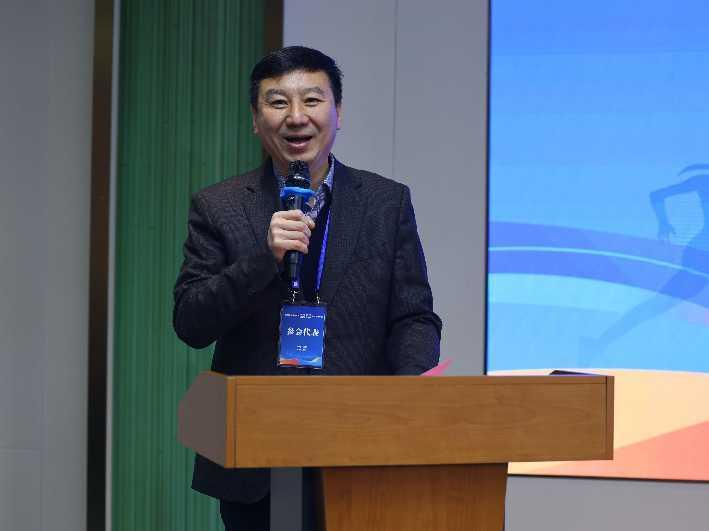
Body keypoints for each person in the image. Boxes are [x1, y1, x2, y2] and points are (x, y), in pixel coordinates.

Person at [173, 46, 442, 531]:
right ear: (255, 120)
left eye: (312, 100)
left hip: (359, 446)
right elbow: (191, 322)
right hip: (255, 456)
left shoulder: (386, 202)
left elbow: (413, 316)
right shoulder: (218, 206)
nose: (296, 117)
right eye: (278, 102)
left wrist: (404, 400)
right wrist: (264, 259)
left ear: (339, 113)